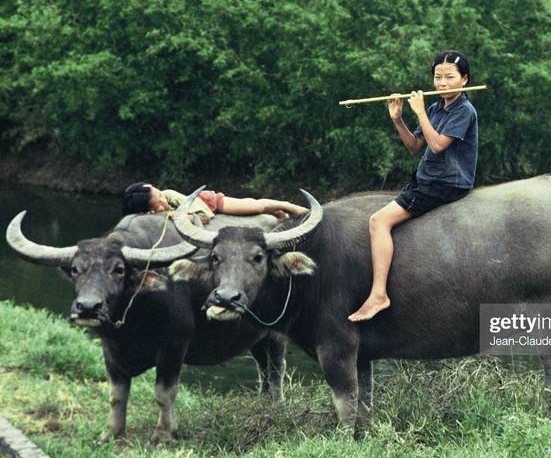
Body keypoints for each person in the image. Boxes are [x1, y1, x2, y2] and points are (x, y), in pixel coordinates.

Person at [348, 50, 478, 322]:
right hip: (426, 180)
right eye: (437, 77)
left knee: (378, 221)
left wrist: (419, 111)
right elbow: (414, 146)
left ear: (464, 80)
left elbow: (438, 145)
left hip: (445, 184)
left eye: (449, 78)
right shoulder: (435, 108)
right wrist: (398, 118)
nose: (441, 83)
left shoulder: (465, 110)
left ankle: (379, 294)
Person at [122, 182, 308, 223]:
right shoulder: (148, 217)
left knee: (255, 205)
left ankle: (288, 206)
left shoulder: (169, 195)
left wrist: (177, 215)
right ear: (149, 212)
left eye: (160, 194)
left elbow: (205, 216)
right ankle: (278, 212)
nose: (163, 200)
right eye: (158, 203)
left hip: (209, 203)